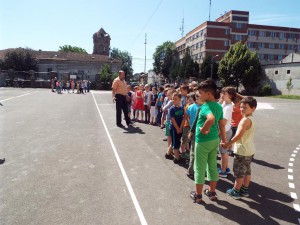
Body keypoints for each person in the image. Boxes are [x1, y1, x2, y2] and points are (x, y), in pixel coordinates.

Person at [190, 80, 226, 204]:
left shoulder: (206, 106)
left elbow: (211, 119)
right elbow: (222, 125)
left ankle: (198, 195)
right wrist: (224, 141)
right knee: (212, 166)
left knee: (199, 168)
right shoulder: (219, 106)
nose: (199, 95)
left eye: (200, 93)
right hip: (214, 140)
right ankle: (212, 192)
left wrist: (203, 129)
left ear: (209, 94)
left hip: (203, 141)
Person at [222, 96, 257, 199]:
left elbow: (239, 135)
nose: (242, 109)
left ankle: (236, 191)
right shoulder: (251, 119)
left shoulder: (245, 120)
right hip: (249, 150)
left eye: (245, 107)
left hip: (242, 150)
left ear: (253, 108)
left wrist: (228, 144)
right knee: (247, 171)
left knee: (239, 173)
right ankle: (244, 190)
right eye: (241, 107)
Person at [218, 87, 236, 178]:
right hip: (224, 130)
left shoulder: (228, 107)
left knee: (223, 152)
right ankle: (226, 168)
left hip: (224, 131)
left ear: (230, 96)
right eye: (222, 93)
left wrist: (218, 133)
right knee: (223, 151)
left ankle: (223, 171)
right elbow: (217, 109)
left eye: (224, 94)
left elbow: (223, 122)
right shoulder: (225, 103)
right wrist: (220, 102)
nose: (222, 95)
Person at [186, 92, 202, 179]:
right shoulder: (204, 108)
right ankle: (198, 170)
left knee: (193, 151)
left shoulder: (190, 107)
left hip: (193, 129)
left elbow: (187, 116)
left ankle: (191, 170)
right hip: (200, 131)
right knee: (199, 152)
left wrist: (190, 124)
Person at [168, 92, 185, 163]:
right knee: (176, 143)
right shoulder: (172, 109)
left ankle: (168, 153)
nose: (174, 100)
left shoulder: (182, 108)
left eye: (176, 99)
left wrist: (180, 128)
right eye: (173, 99)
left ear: (180, 99)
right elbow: (173, 120)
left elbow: (184, 118)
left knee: (175, 142)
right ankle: (177, 158)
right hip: (174, 128)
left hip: (180, 128)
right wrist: (178, 128)